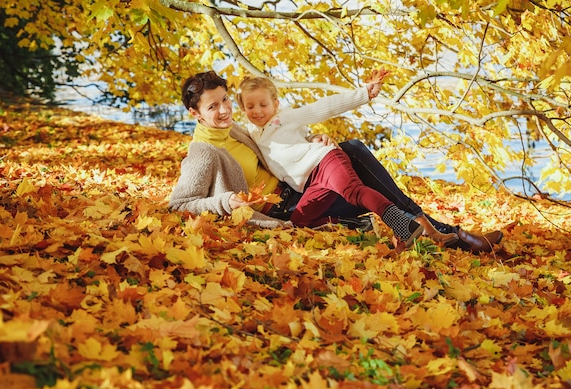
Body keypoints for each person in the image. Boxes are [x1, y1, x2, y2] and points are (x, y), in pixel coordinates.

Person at [169, 70, 503, 253]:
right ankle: (436, 232)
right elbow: (180, 203)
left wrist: (313, 138)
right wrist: (225, 201)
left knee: (354, 156)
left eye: (226, 101)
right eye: (213, 107)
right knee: (358, 167)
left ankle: (443, 234)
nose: (224, 110)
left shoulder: (240, 129)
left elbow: (291, 132)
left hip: (304, 186)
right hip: (292, 206)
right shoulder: (203, 151)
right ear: (195, 114)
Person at [236, 75, 459, 245]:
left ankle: (405, 226)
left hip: (325, 161)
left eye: (263, 104)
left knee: (354, 191)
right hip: (311, 184)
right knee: (298, 223)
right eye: (250, 106)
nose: (257, 111)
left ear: (275, 104)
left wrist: (364, 94)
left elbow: (323, 108)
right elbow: (227, 129)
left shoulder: (284, 117)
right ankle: (365, 226)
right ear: (242, 109)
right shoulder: (252, 132)